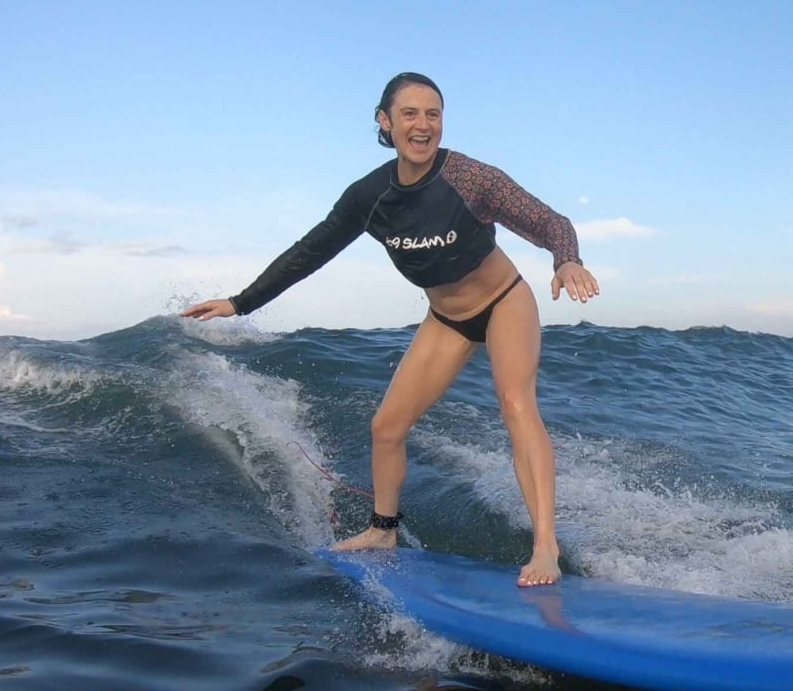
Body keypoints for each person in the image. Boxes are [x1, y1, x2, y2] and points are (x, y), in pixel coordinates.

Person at [181, 72, 599, 587]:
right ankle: (383, 529)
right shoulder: (369, 197)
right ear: (385, 121)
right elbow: (311, 251)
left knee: (516, 403)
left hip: (504, 301)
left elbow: (548, 220)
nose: (423, 126)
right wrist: (240, 303)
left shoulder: (468, 178)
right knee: (386, 427)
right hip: (446, 318)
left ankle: (545, 548)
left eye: (433, 114)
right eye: (410, 114)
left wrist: (566, 260)